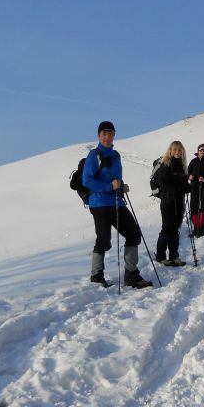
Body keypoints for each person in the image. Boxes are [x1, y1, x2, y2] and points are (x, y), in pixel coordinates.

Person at [82, 121, 152, 288]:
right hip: (99, 203)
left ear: (114, 135)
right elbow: (87, 181)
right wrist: (109, 187)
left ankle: (131, 275)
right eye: (104, 134)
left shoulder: (116, 156)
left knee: (134, 233)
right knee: (104, 239)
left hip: (116, 202)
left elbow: (115, 179)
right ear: (99, 136)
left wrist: (121, 186)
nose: (107, 137)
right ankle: (96, 276)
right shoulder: (94, 155)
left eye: (110, 133)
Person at [154, 140, 190, 267]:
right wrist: (178, 190)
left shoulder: (183, 166)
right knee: (167, 228)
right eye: (175, 150)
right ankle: (160, 256)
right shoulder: (166, 164)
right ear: (170, 151)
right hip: (168, 201)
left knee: (175, 229)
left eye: (180, 150)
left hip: (179, 201)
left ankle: (174, 256)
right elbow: (163, 184)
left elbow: (184, 184)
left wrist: (189, 187)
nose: (177, 152)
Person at [187, 143, 204, 237]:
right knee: (194, 208)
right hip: (194, 188)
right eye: (201, 150)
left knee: (203, 209)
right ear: (197, 151)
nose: (202, 151)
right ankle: (196, 228)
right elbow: (188, 172)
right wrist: (189, 176)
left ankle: (202, 229)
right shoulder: (193, 161)